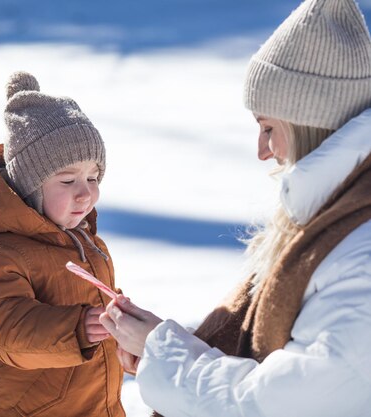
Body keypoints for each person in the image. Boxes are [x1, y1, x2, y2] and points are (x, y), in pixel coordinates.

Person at [99, 0, 371, 416]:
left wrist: (167, 356)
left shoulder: (360, 252)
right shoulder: (338, 217)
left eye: (268, 128)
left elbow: (283, 404)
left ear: (310, 123)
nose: (262, 151)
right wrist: (172, 350)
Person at [0, 71, 125, 416]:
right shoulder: (1, 254)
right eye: (68, 180)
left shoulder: (84, 243)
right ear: (29, 187)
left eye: (92, 177)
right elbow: (4, 328)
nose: (85, 192)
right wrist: (76, 327)